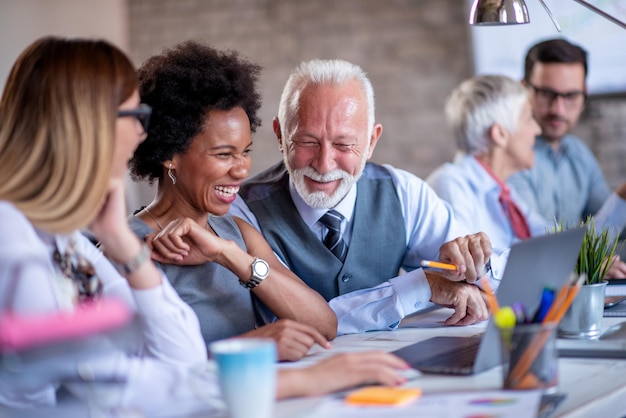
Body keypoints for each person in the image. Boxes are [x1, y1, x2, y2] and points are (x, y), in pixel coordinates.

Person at [0, 36, 412, 414]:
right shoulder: (17, 244)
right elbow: (118, 386)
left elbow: (178, 360)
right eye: (133, 114)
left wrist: (219, 255)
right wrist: (300, 378)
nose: (140, 132)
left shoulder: (68, 241)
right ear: (84, 125)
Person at [231, 59, 500, 336]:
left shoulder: (403, 193)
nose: (324, 165)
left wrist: (475, 262)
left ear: (371, 142)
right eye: (307, 142)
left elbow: (489, 283)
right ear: (280, 135)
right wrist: (422, 287)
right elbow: (288, 322)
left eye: (343, 145)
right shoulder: (243, 213)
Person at [128, 41, 336, 362]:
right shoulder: (125, 247)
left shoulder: (234, 232)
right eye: (224, 154)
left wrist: (229, 255)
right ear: (169, 154)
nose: (242, 169)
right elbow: (130, 370)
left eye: (245, 151)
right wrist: (249, 346)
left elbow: (323, 324)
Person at [507, 38, 626, 276]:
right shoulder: (509, 157)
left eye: (571, 96)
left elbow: (609, 234)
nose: (558, 109)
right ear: (524, 90)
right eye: (547, 94)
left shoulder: (578, 153)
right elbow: (537, 245)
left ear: (584, 94)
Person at [427, 75, 550, 250]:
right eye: (529, 118)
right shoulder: (451, 185)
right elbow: (465, 270)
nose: (537, 130)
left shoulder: (504, 193)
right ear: (500, 134)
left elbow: (548, 238)